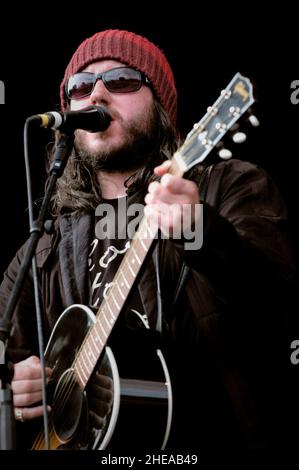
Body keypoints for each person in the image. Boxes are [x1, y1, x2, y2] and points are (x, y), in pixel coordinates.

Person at [0, 29, 297, 456]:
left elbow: (278, 307)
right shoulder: (43, 246)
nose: (97, 95)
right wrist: (12, 393)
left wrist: (200, 232)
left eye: (121, 80)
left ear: (160, 103)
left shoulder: (227, 188)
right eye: (80, 86)